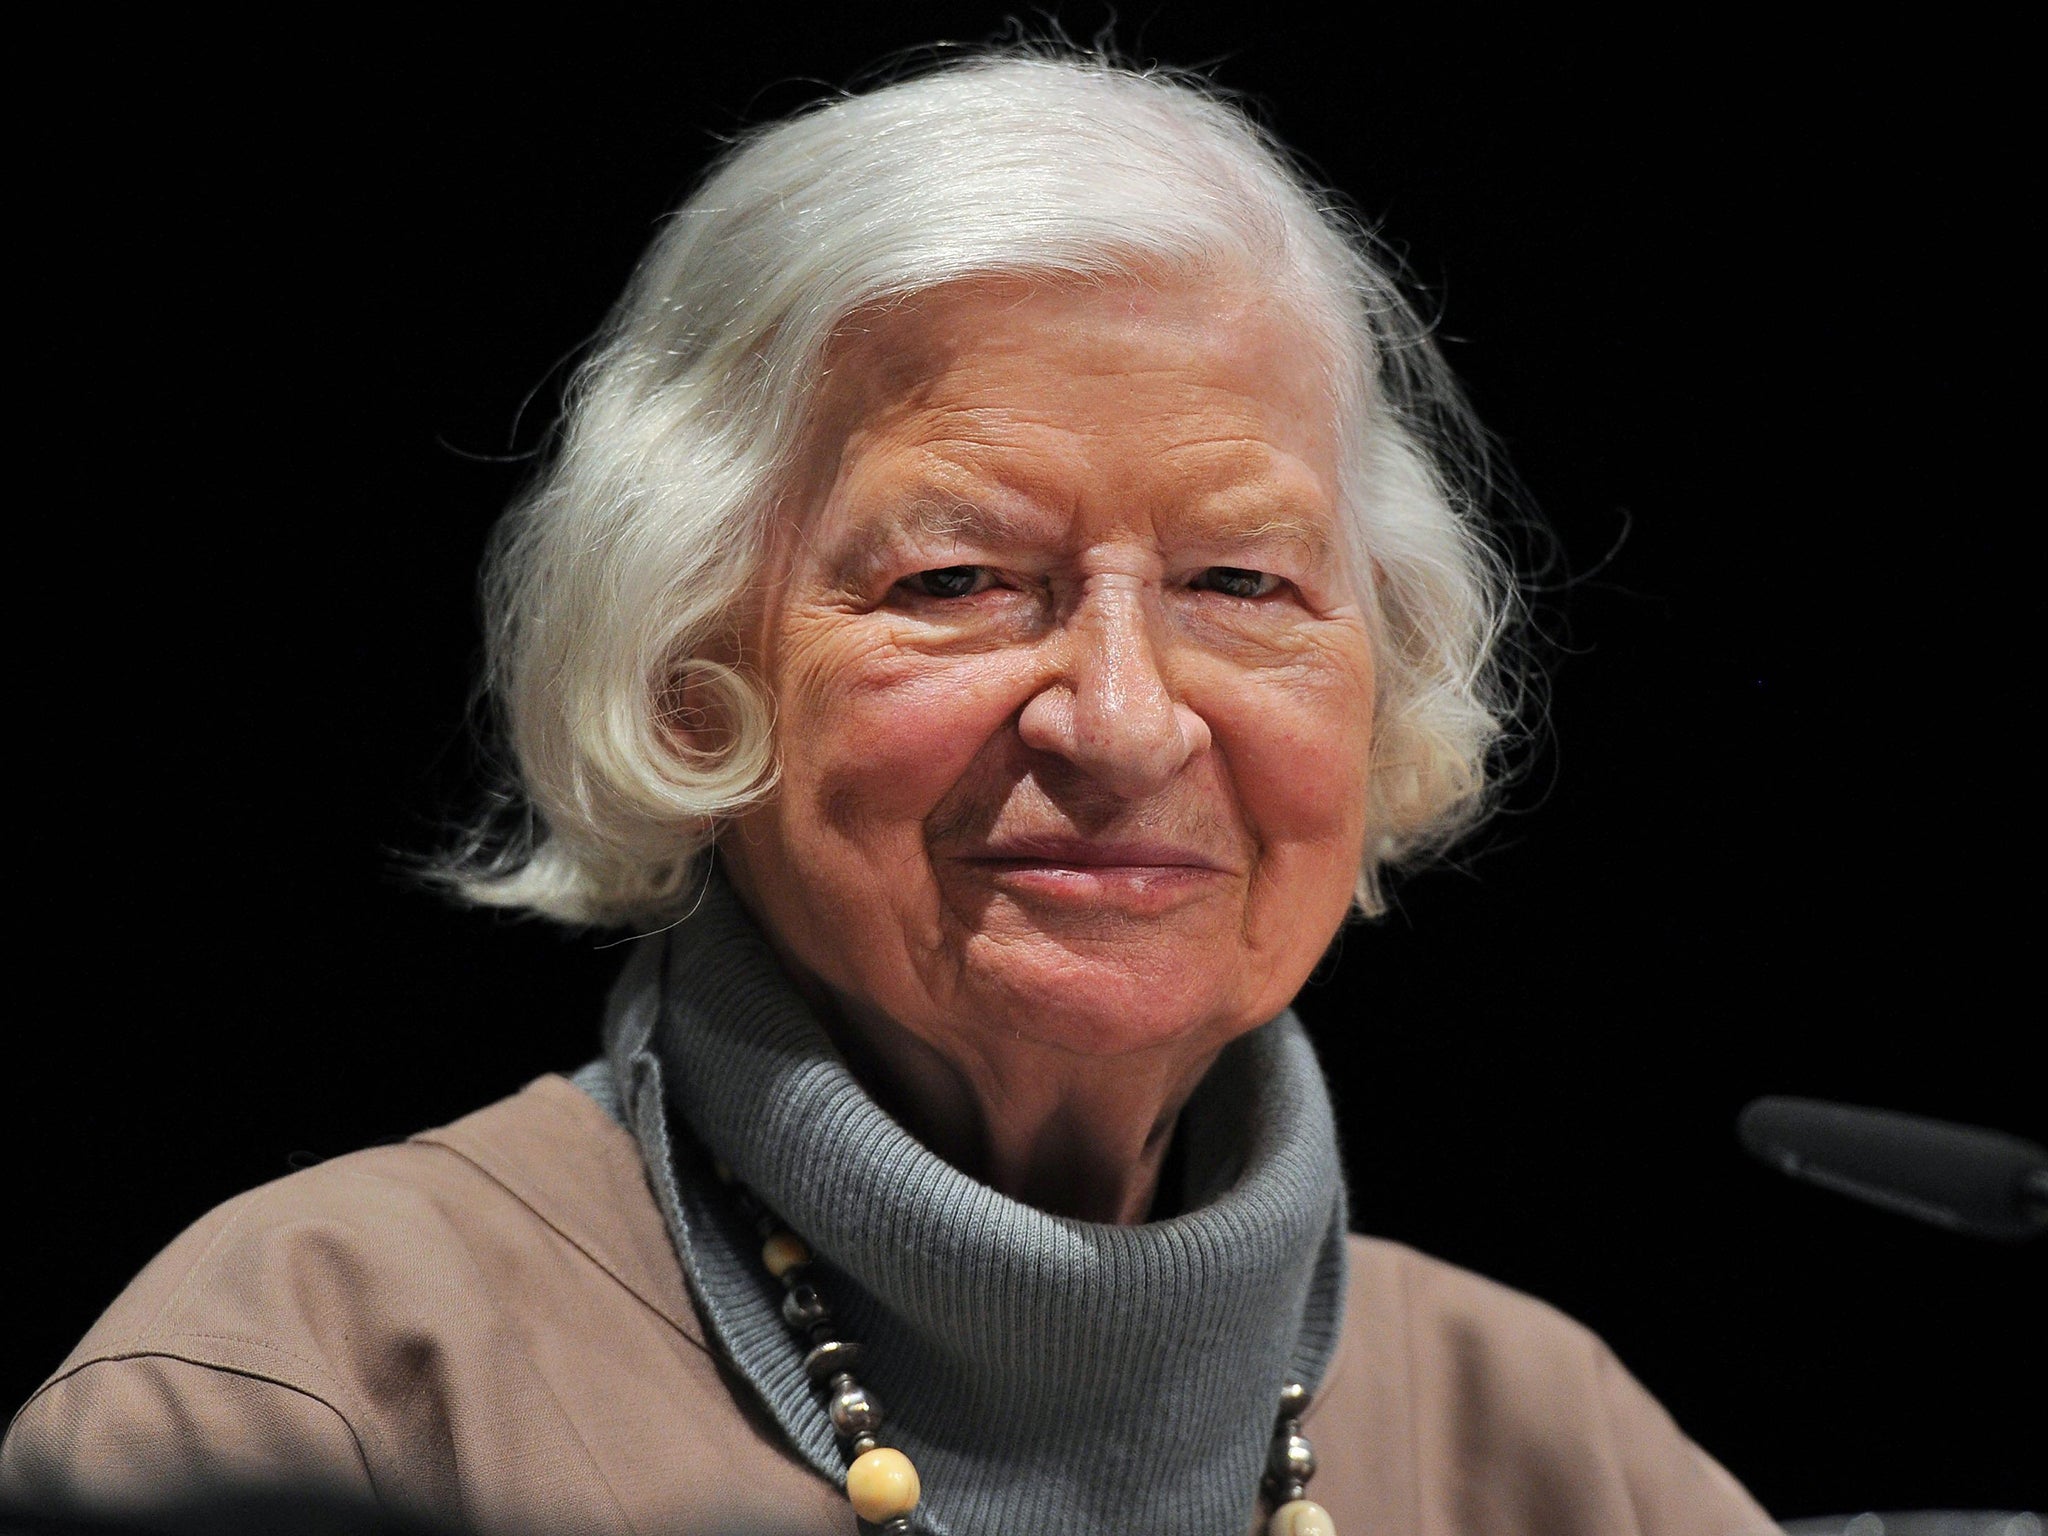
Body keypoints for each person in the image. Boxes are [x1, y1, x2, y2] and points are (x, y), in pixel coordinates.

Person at [3, 50, 1773, 1536]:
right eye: (956, 582)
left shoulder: (1555, 1453)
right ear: (691, 665)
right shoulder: (325, 1386)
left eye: (1244, 583)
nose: (1123, 720)